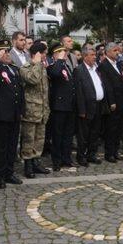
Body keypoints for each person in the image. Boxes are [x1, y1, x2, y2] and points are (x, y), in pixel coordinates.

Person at [0, 40, 25, 188]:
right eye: (5, 52)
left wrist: (21, 110)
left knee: (12, 146)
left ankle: (9, 172)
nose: (8, 54)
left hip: (14, 114)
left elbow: (19, 91)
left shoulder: (13, 68)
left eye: (8, 52)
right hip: (1, 114)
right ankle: (0, 176)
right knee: (1, 147)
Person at [19, 41, 52, 178]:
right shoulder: (25, 67)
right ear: (37, 54)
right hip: (31, 111)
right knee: (29, 139)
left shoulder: (42, 67)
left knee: (39, 139)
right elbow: (33, 79)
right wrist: (37, 62)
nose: (45, 56)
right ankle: (28, 165)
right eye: (44, 53)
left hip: (42, 110)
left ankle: (36, 162)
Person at [74, 45, 106, 166]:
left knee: (95, 132)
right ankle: (81, 156)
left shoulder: (95, 69)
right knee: (83, 134)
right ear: (84, 56)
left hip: (98, 105)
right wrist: (81, 110)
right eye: (92, 55)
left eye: (95, 55)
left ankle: (92, 154)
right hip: (86, 107)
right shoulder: (79, 70)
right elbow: (79, 92)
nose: (94, 57)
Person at [48, 42, 76, 170]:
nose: (64, 54)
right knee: (57, 135)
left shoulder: (66, 66)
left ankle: (66, 158)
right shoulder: (53, 66)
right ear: (54, 54)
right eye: (60, 52)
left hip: (69, 106)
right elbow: (54, 74)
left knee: (68, 134)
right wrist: (59, 59)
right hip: (58, 107)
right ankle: (57, 161)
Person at [98, 42, 123, 162]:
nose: (117, 53)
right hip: (113, 102)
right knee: (111, 128)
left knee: (119, 128)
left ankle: (116, 151)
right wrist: (112, 101)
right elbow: (107, 85)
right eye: (115, 51)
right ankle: (109, 153)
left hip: (122, 100)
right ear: (108, 52)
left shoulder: (118, 64)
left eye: (118, 50)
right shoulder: (104, 65)